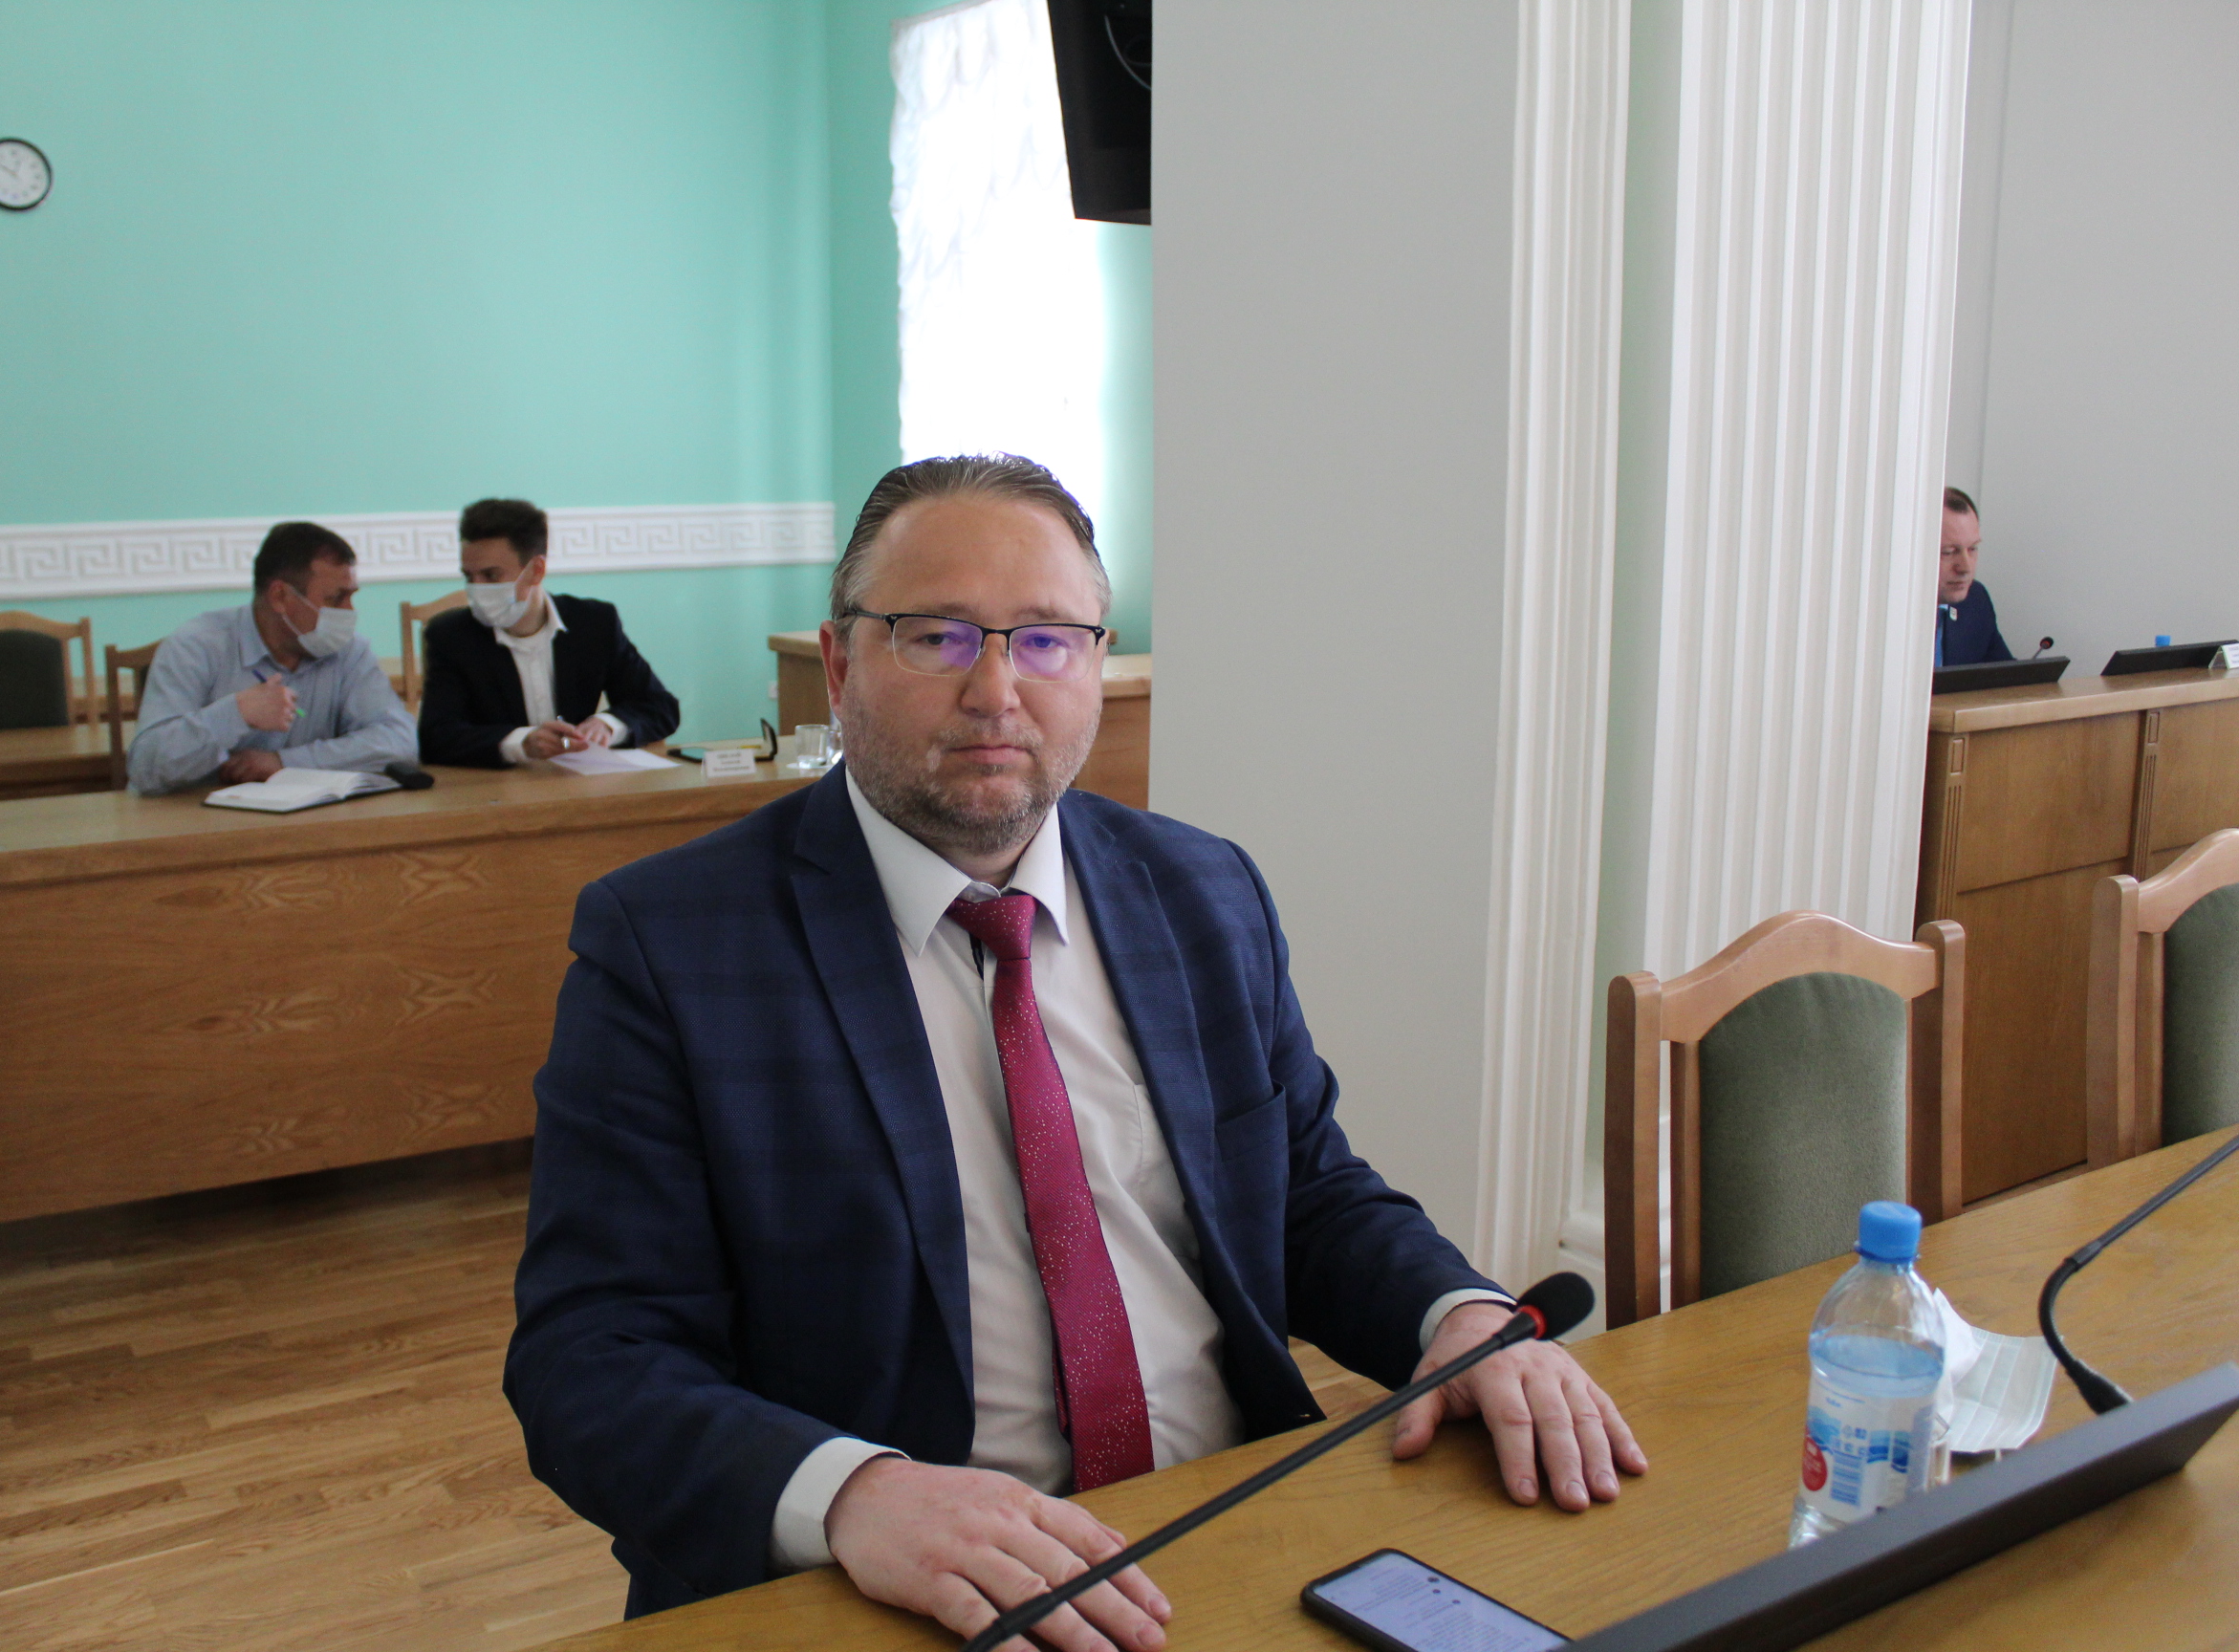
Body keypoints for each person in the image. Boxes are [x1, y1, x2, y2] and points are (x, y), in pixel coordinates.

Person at [506, 454, 1646, 1649]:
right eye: (937, 637)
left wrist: (1452, 1316)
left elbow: (1306, 1193)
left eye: (1048, 640)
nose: (997, 692)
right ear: (839, 667)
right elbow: (591, 1358)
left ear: (1098, 664)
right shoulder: (671, 942)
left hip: (1233, 1538)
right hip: (900, 1594)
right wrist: (853, 1495)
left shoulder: (1200, 889)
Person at [125, 520, 416, 795]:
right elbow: (146, 768)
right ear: (279, 597)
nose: (349, 612)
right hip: (196, 819)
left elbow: (399, 741)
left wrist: (284, 762)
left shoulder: (349, 652)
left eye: (351, 596)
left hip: (307, 818)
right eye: (335, 599)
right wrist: (235, 714)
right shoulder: (196, 646)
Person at [417, 498, 681, 767]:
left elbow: (660, 707)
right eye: (469, 577)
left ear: (536, 570)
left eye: (492, 576)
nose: (477, 589)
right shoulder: (450, 636)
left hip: (579, 780)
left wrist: (608, 724)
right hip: (500, 785)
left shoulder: (594, 623)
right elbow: (435, 737)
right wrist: (520, 743)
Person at [1936, 486, 2011, 667]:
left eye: (1972, 549)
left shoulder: (1975, 599)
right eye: (1948, 552)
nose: (1966, 568)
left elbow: (2007, 677)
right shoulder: (1878, 612)